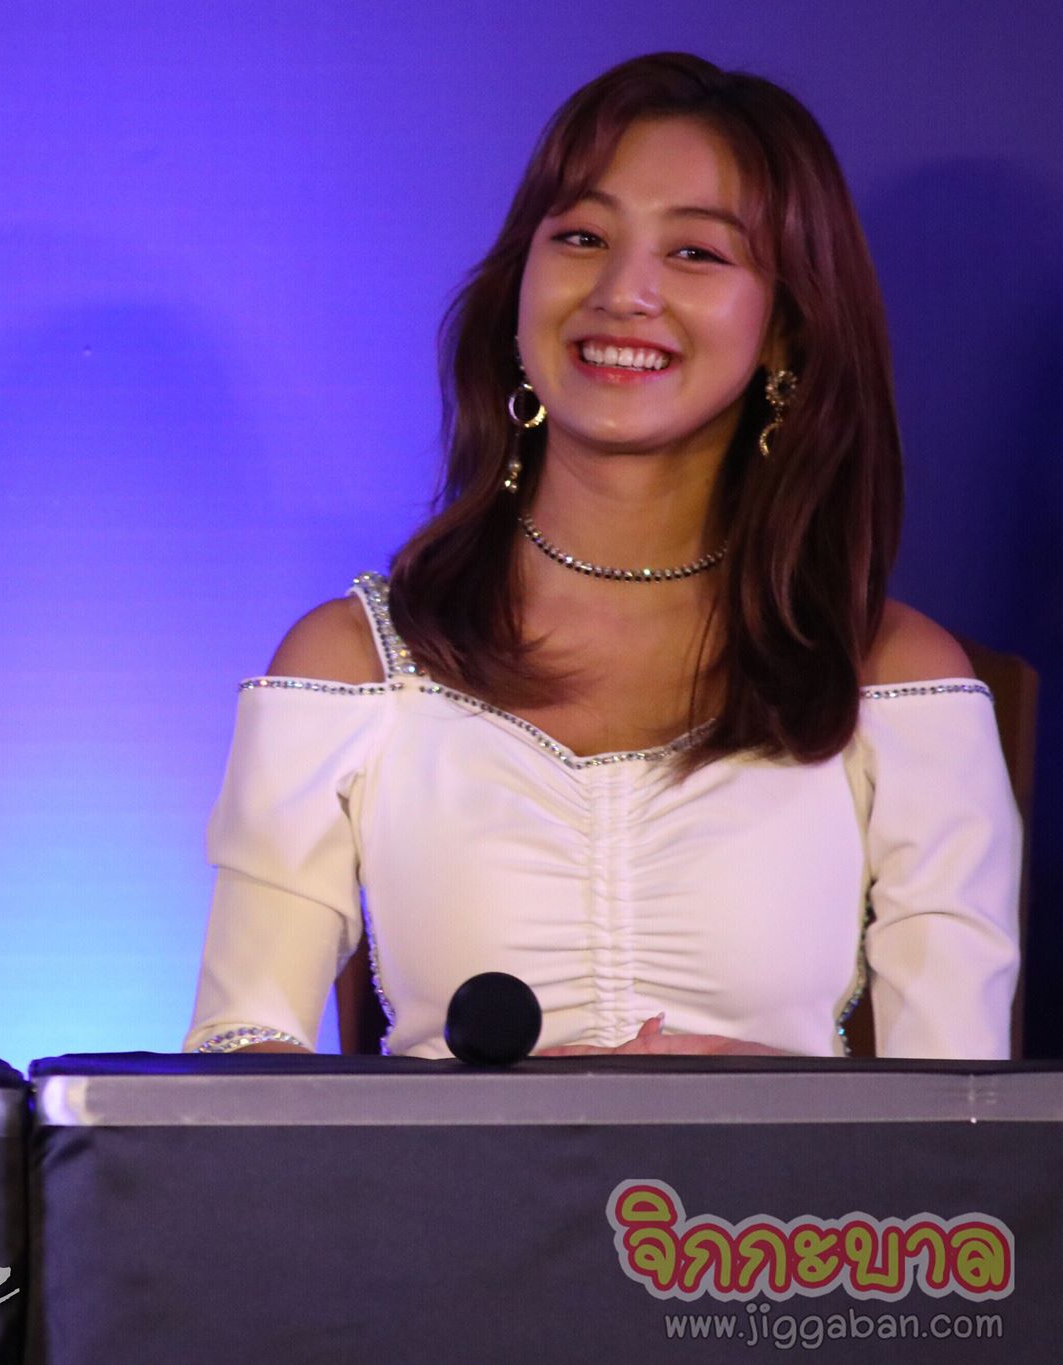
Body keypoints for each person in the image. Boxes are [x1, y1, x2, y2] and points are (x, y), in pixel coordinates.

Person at [186, 54, 1020, 1061]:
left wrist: (763, 1099)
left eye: (696, 253)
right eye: (581, 237)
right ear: (517, 288)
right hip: (442, 1174)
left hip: (774, 1176)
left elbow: (960, 1113)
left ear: (783, 333)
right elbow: (235, 1049)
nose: (624, 292)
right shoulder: (351, 661)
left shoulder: (891, 673)